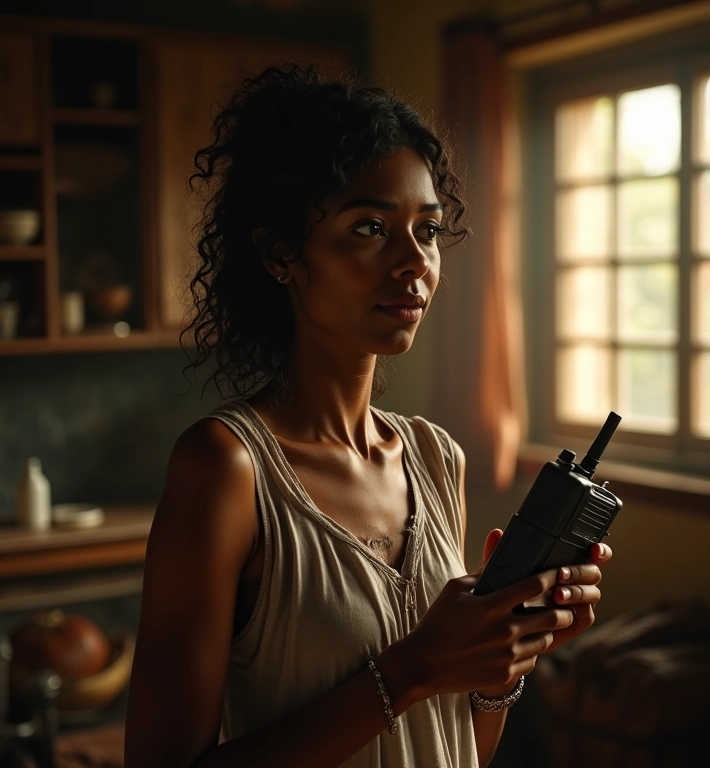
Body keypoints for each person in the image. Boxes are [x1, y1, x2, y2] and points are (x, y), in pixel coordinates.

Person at [124, 64, 612, 768]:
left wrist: (500, 664)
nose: (413, 261)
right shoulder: (227, 469)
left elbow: (455, 746)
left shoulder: (437, 459)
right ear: (281, 253)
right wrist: (414, 667)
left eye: (428, 230)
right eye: (371, 228)